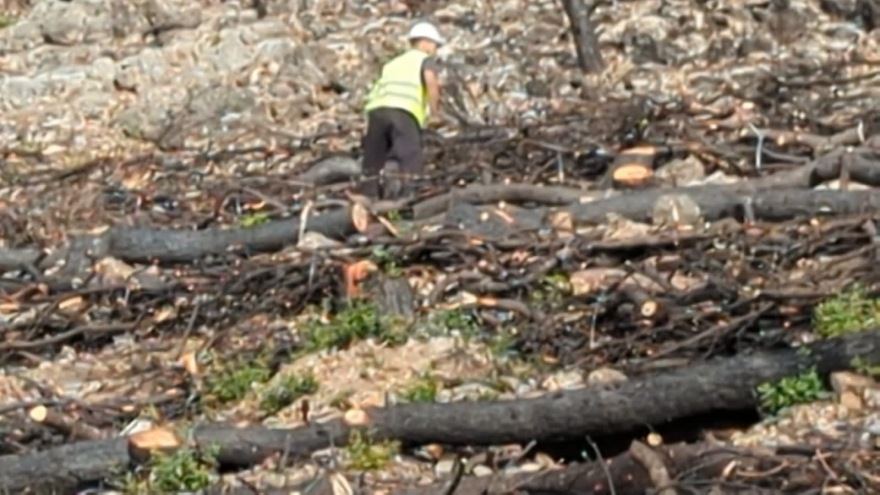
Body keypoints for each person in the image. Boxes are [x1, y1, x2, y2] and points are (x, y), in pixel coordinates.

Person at [359, 21, 445, 199]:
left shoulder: (393, 63)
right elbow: (431, 82)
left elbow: (376, 89)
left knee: (373, 158)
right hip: (403, 110)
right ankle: (410, 200)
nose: (435, 49)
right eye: (435, 45)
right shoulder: (424, 59)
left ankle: (369, 197)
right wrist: (435, 113)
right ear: (426, 43)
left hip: (377, 110)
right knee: (410, 155)